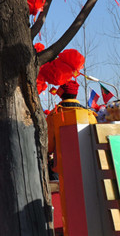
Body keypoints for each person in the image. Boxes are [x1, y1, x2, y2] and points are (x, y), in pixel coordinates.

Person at [46, 80, 97, 236]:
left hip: (65, 169)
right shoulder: (89, 114)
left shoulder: (55, 115)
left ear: (62, 94)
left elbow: (49, 146)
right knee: (90, 205)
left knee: (69, 206)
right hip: (90, 167)